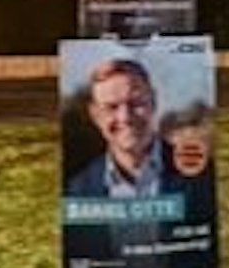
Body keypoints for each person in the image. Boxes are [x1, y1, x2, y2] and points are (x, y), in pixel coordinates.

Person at [64, 59, 206, 202]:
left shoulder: (202, 176)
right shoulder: (77, 190)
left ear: (153, 102)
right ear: (95, 115)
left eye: (135, 103)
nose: (125, 117)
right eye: (111, 107)